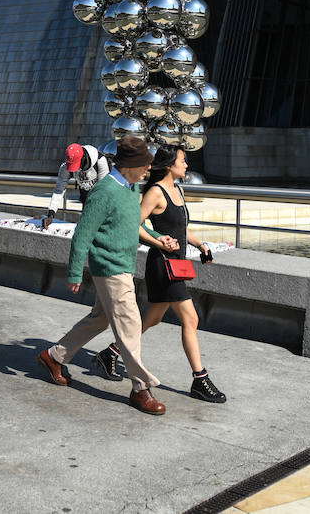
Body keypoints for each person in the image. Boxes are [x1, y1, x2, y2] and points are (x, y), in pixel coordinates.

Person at [37, 136, 173, 415]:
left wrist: (160, 238)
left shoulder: (130, 188)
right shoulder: (104, 191)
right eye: (145, 164)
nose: (148, 170)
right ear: (130, 166)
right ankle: (140, 388)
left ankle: (53, 356)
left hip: (123, 264)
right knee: (131, 324)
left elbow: (132, 225)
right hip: (110, 267)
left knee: (100, 319)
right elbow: (82, 235)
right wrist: (74, 273)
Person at [95, 146, 226, 403]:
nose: (186, 164)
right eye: (182, 160)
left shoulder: (178, 190)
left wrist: (200, 245)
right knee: (191, 319)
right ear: (169, 166)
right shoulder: (155, 192)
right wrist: (158, 242)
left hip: (176, 263)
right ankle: (200, 379)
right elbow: (134, 224)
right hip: (162, 266)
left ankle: (110, 353)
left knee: (152, 320)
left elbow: (179, 229)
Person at [42, 143, 109, 228]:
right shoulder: (66, 167)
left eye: (76, 165)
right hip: (86, 197)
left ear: (83, 158)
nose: (75, 169)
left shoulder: (100, 161)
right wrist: (51, 214)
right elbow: (59, 190)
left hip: (102, 199)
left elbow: (104, 191)